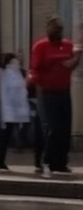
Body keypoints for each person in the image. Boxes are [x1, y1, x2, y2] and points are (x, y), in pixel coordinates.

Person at [29, 15, 81, 177]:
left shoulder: (68, 45)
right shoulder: (40, 46)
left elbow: (70, 65)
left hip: (63, 91)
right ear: (48, 29)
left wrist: (77, 57)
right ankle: (46, 162)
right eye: (54, 28)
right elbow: (35, 68)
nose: (57, 31)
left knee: (64, 129)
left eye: (59, 29)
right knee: (50, 128)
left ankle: (61, 163)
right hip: (46, 92)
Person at [0, 53, 36, 173]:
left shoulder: (18, 73)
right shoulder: (5, 74)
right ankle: (0, 161)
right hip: (9, 110)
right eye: (15, 60)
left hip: (17, 110)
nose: (17, 62)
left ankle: (2, 161)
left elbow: (22, 89)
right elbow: (6, 92)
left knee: (9, 134)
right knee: (6, 136)